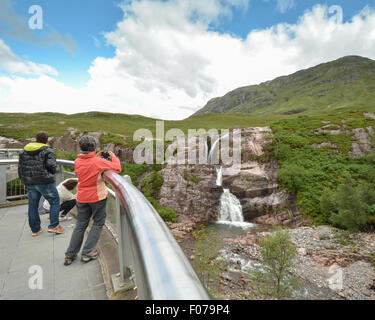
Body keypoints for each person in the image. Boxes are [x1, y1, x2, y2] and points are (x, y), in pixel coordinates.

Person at [64, 135, 121, 265]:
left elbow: (89, 164)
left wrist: (97, 155)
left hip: (81, 197)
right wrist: (113, 156)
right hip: (96, 197)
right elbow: (117, 168)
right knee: (98, 223)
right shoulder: (97, 162)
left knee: (80, 225)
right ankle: (87, 252)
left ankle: (70, 254)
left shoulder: (77, 161)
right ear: (94, 147)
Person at [18, 131, 64, 236]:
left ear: (36, 139)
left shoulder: (23, 151)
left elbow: (20, 168)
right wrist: (53, 171)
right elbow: (52, 167)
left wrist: (24, 181)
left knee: (32, 205)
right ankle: (54, 226)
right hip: (45, 181)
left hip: (30, 182)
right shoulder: (48, 151)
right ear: (46, 140)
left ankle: (35, 230)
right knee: (55, 201)